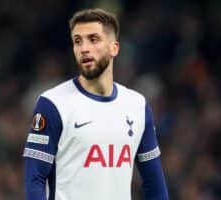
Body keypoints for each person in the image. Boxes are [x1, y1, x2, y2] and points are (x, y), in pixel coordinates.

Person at [23, 8, 169, 200]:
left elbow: (154, 183)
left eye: (93, 39)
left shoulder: (137, 106)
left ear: (114, 48)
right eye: (77, 41)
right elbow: (35, 180)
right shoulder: (53, 104)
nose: (84, 48)